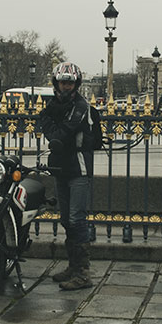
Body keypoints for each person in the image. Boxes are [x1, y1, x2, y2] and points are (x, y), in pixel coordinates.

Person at [37, 62, 95, 291]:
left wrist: (54, 132)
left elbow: (62, 133)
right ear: (56, 83)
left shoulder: (81, 106)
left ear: (76, 84)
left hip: (78, 167)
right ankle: (72, 266)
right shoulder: (54, 105)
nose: (66, 87)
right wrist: (54, 133)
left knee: (77, 219)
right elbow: (47, 126)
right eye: (63, 82)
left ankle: (83, 273)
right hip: (61, 167)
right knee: (65, 219)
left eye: (70, 83)